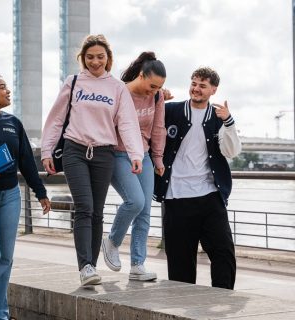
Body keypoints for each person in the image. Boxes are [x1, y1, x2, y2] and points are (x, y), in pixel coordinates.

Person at [41, 34, 144, 286]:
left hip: (104, 153)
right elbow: (56, 119)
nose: (95, 62)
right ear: (82, 59)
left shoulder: (117, 87)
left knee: (97, 212)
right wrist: (46, 151)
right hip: (75, 150)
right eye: (90, 57)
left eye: (100, 56)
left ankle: (92, 268)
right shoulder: (74, 82)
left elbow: (128, 124)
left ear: (108, 58)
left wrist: (135, 154)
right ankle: (85, 266)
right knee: (84, 207)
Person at [154, 67, 241, 289]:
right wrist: (156, 98)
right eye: (194, 83)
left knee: (223, 253)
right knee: (180, 262)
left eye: (202, 85)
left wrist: (229, 121)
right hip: (176, 196)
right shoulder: (170, 110)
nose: (196, 89)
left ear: (213, 90)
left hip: (210, 196)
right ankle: (184, 308)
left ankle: (221, 299)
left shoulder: (219, 117)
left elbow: (231, 151)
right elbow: (144, 125)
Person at [102, 52, 166, 281]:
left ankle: (138, 265)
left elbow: (158, 129)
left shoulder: (157, 98)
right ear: (141, 75)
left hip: (145, 156)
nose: (153, 91)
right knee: (135, 201)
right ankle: (111, 241)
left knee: (145, 211)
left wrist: (158, 159)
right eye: (151, 86)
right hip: (118, 155)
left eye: (158, 88)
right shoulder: (119, 92)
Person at [0, 73, 51, 320]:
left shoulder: (13, 122)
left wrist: (41, 193)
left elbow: (26, 160)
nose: (8, 91)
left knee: (5, 257)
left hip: (11, 195)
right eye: (3, 87)